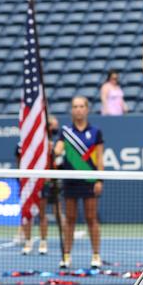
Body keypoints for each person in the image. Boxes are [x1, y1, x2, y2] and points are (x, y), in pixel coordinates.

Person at [54, 96, 104, 269]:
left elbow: (100, 159)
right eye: (75, 106)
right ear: (71, 110)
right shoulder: (65, 131)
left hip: (89, 180)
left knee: (91, 218)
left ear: (87, 109)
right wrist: (54, 149)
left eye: (82, 106)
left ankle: (96, 255)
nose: (78, 109)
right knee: (70, 219)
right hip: (70, 181)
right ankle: (66, 256)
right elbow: (57, 150)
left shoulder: (96, 132)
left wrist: (99, 179)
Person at [16, 115, 63, 255]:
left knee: (42, 213)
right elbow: (19, 162)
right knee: (27, 214)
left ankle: (43, 242)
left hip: (43, 182)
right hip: (27, 182)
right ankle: (28, 242)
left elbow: (54, 162)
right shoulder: (22, 145)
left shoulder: (48, 145)